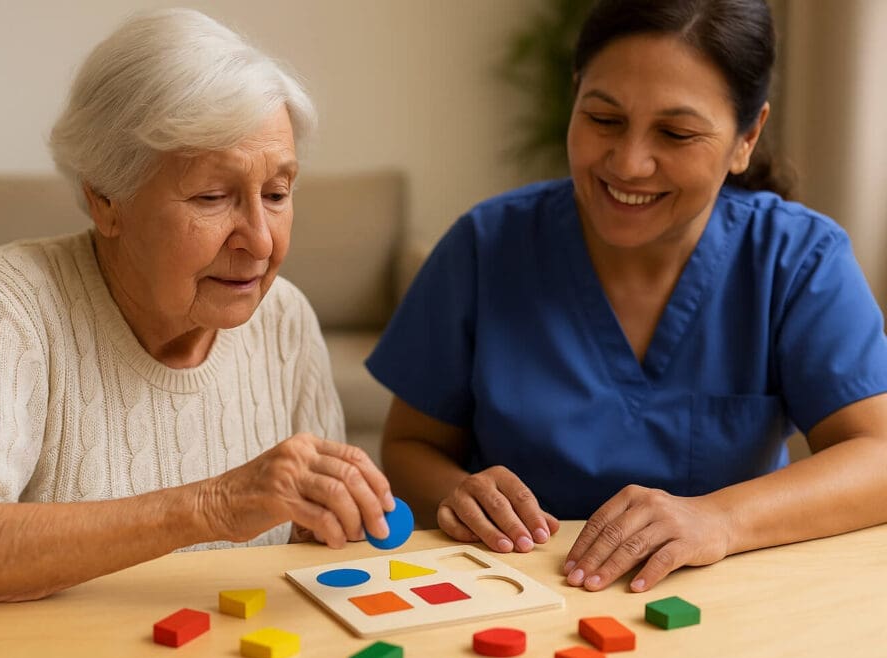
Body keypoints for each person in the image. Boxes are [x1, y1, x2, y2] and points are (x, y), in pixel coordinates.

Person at [367, 0, 887, 594]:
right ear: (575, 98)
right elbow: (408, 447)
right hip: (513, 603)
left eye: (675, 133)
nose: (629, 162)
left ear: (747, 138)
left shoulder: (797, 260)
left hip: (722, 606)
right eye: (605, 120)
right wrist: (454, 495)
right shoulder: (485, 247)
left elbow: (878, 456)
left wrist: (720, 518)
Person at [0, 8, 395, 606]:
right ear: (105, 201)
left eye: (278, 193)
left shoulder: (284, 318)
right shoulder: (9, 298)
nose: (260, 240)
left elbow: (317, 548)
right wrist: (214, 504)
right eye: (212, 195)